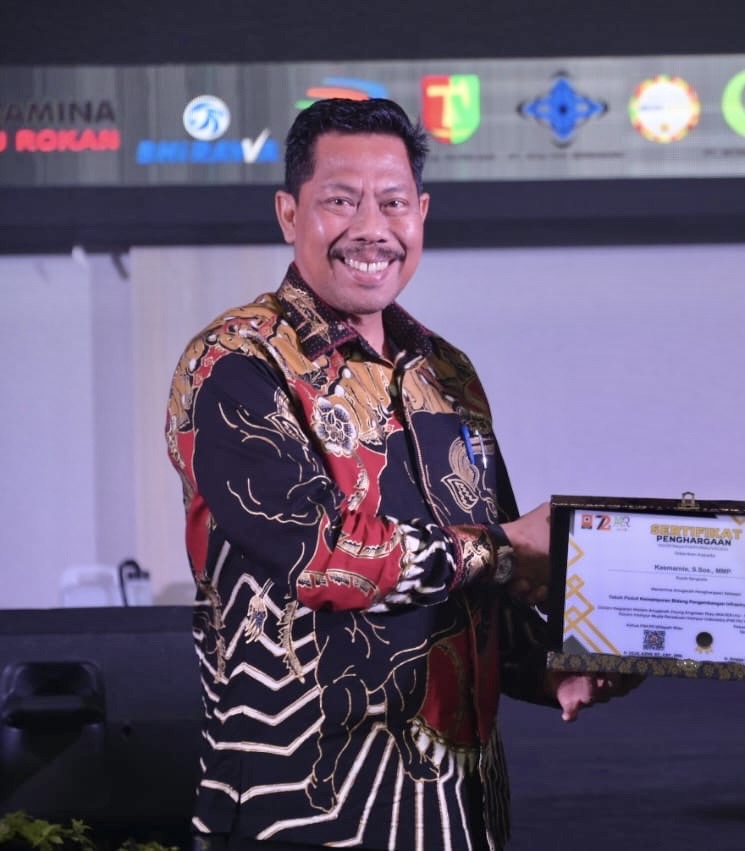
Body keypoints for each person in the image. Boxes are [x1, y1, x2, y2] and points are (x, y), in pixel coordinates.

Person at [165, 97, 628, 851]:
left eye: (393, 202)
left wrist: (557, 668)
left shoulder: (448, 373)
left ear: (422, 213)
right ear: (289, 213)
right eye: (340, 201)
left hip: (461, 815)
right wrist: (508, 546)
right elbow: (323, 556)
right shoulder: (236, 364)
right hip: (303, 812)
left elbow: (488, 591)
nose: (371, 228)